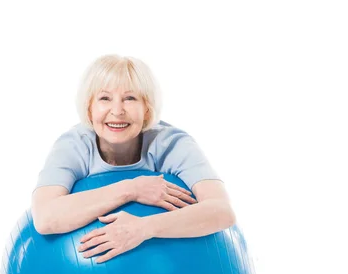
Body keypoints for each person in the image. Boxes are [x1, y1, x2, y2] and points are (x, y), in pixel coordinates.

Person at [31, 54, 236, 263]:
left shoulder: (171, 144)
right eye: (105, 98)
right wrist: (131, 190)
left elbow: (222, 211)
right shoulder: (73, 146)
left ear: (147, 109)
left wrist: (144, 228)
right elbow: (45, 217)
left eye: (130, 98)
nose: (118, 111)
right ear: (89, 108)